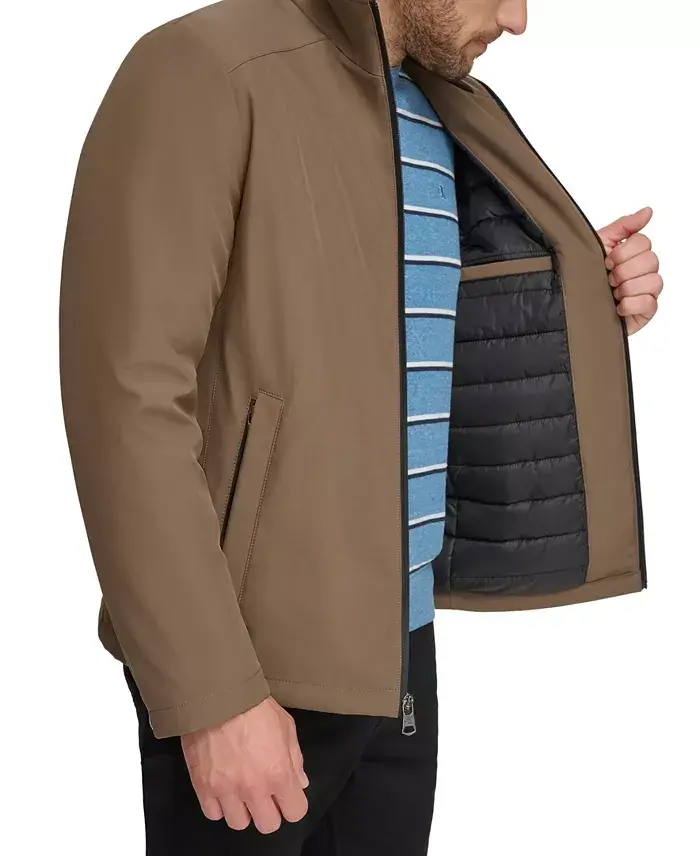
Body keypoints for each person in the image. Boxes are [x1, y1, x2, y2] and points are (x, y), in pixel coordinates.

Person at [59, 0, 662, 853]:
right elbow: (126, 398)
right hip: (254, 665)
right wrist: (211, 693)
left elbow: (404, 334)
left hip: (399, 651)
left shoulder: (440, 107)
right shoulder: (207, 69)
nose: (518, 18)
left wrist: (585, 295)